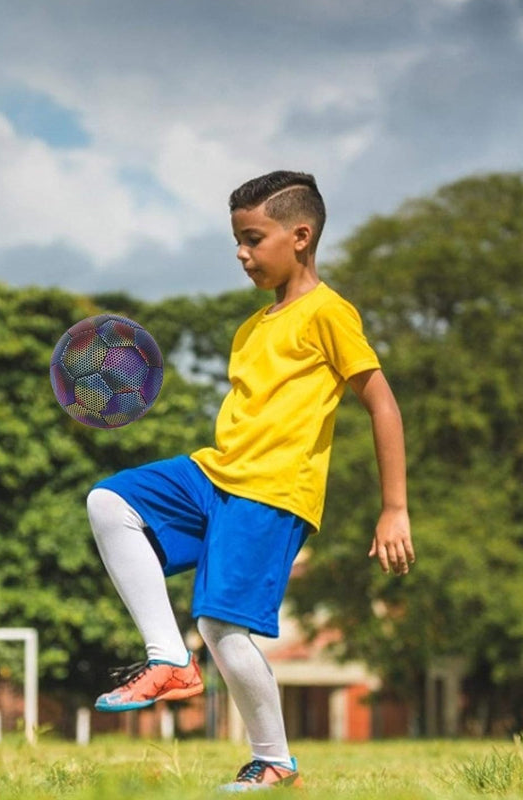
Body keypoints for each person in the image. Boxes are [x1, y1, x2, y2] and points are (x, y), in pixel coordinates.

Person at [86, 170, 415, 792]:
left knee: (220, 626)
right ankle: (169, 661)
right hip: (217, 474)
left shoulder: (329, 313)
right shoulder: (252, 328)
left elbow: (383, 405)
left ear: (300, 235)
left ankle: (274, 761)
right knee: (109, 500)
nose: (241, 252)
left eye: (252, 237)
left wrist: (393, 507)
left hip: (271, 490)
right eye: (236, 239)